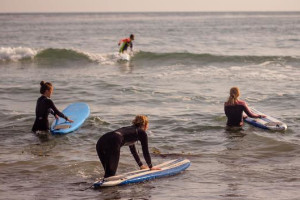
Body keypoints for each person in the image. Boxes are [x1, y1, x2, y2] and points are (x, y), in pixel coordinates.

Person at [96, 115, 161, 178]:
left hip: (101, 140)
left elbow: (133, 151)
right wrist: (151, 167)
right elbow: (145, 151)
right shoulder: (141, 133)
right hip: (114, 141)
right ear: (146, 125)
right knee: (111, 174)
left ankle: (102, 184)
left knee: (108, 173)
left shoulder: (129, 131)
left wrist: (141, 165)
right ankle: (106, 185)